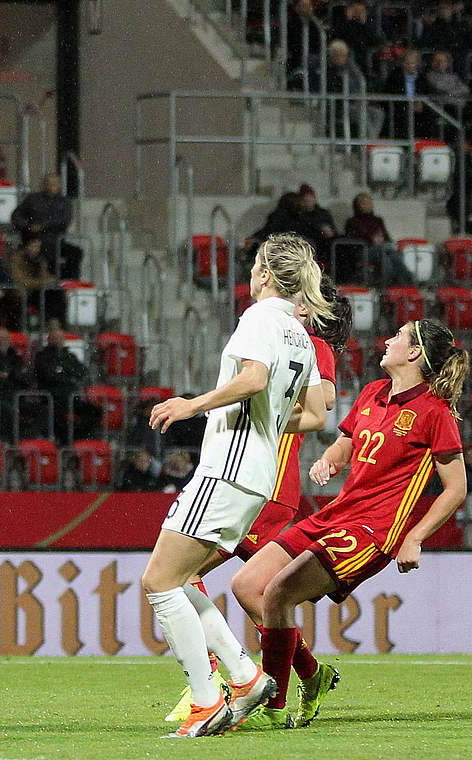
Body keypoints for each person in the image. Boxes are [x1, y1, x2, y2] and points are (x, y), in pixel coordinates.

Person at [231, 319, 466, 729]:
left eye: (399, 336)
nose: (388, 340)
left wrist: (414, 538)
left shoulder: (435, 411)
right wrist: (329, 460)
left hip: (371, 531)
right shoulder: (374, 392)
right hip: (336, 514)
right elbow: (347, 442)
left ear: (414, 353)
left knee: (278, 594)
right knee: (247, 586)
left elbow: (456, 488)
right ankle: (313, 674)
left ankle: (272, 708)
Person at [141, 232, 331, 738]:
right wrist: (267, 427)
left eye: (253, 266)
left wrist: (191, 405)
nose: (250, 274)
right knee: (177, 579)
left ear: (265, 273)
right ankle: (245, 678)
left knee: (159, 581)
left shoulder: (260, 317)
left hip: (227, 468)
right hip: (258, 475)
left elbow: (251, 379)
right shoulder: (300, 332)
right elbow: (315, 415)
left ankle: (207, 700)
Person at [12, 173, 81, 280]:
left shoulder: (64, 202)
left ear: (59, 186)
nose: (51, 186)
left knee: (75, 252)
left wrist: (44, 225)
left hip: (55, 239)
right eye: (48, 183)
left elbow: (64, 220)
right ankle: (48, 280)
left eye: (54, 184)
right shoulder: (32, 199)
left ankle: (70, 282)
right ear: (43, 185)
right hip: (33, 238)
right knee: (43, 255)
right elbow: (16, 216)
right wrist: (28, 226)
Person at [342, 192, 412, 285]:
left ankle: (387, 285)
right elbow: (353, 238)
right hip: (362, 251)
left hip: (380, 249)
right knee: (387, 249)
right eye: (364, 203)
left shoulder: (378, 220)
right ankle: (407, 277)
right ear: (358, 205)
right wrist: (372, 240)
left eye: (369, 202)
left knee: (386, 256)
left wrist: (382, 239)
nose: (368, 205)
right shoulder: (352, 221)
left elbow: (386, 237)